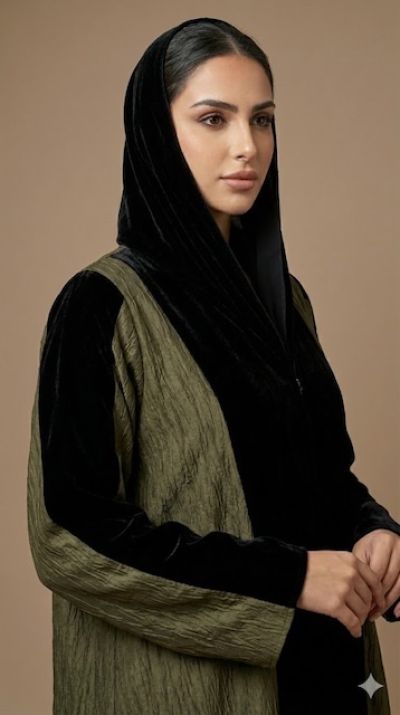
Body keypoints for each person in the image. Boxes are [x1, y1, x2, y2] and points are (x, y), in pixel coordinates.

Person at [27, 16, 400, 715]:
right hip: (194, 691)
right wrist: (289, 577)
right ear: (155, 134)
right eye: (212, 118)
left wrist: (373, 529)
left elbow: (323, 474)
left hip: (329, 674)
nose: (247, 146)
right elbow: (71, 535)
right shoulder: (101, 306)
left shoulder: (285, 300)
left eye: (262, 119)